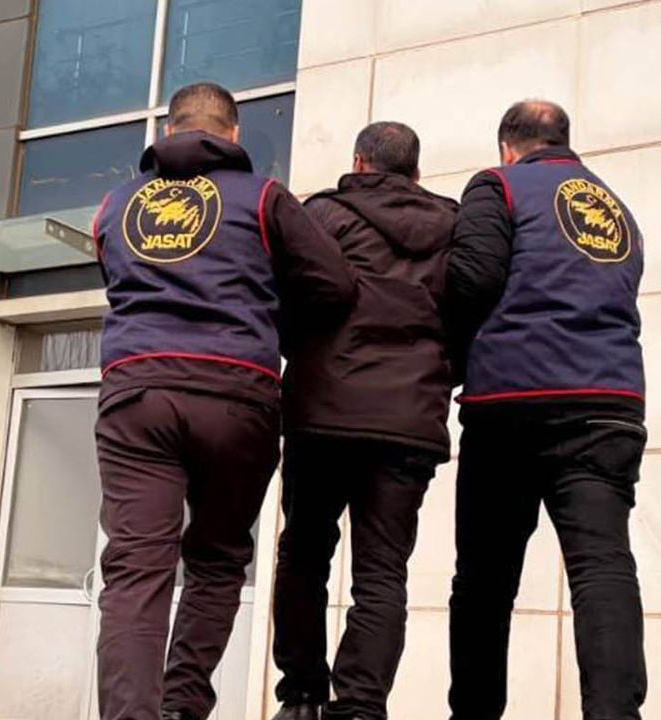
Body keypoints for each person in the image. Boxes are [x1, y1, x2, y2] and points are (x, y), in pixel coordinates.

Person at [93, 82, 356, 720]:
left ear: (169, 130)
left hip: (138, 393)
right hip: (237, 395)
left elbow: (116, 279)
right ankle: (182, 708)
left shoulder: (114, 207)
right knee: (215, 561)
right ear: (233, 134)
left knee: (136, 571)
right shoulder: (263, 198)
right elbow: (336, 284)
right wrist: (268, 318)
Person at [443, 100, 649, 720]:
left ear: (507, 147)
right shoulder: (615, 206)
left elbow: (471, 280)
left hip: (512, 403)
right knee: (602, 569)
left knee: (484, 580)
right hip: (608, 404)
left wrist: (452, 360)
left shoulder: (498, 185)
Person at [270, 122, 458, 720]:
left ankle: (302, 695)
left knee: (304, 552)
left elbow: (285, 300)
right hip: (407, 421)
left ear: (358, 162)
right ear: (416, 172)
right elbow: (470, 310)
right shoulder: (454, 227)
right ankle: (359, 707)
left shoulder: (321, 216)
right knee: (382, 572)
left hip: (322, 415)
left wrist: (302, 356)